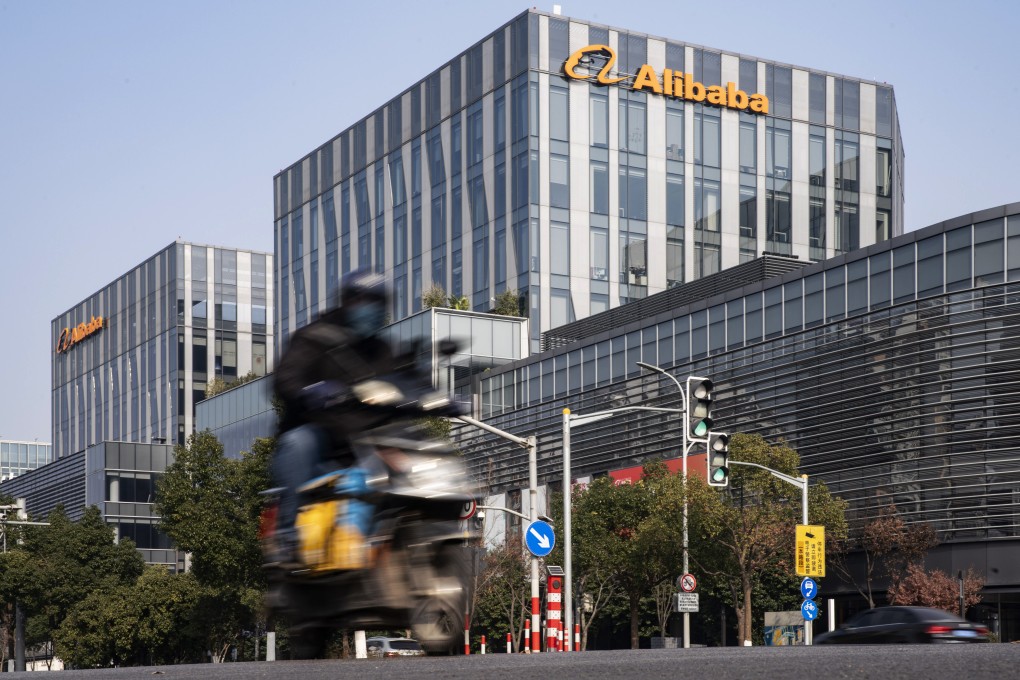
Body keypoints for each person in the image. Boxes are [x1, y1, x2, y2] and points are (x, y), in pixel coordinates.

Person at [269, 269, 397, 566]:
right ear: (345, 302)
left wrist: (441, 399)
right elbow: (285, 377)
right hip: (321, 439)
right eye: (361, 299)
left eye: (376, 300)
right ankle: (288, 538)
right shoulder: (315, 337)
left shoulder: (383, 350)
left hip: (366, 442)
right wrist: (307, 391)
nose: (369, 307)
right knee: (298, 442)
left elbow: (406, 383)